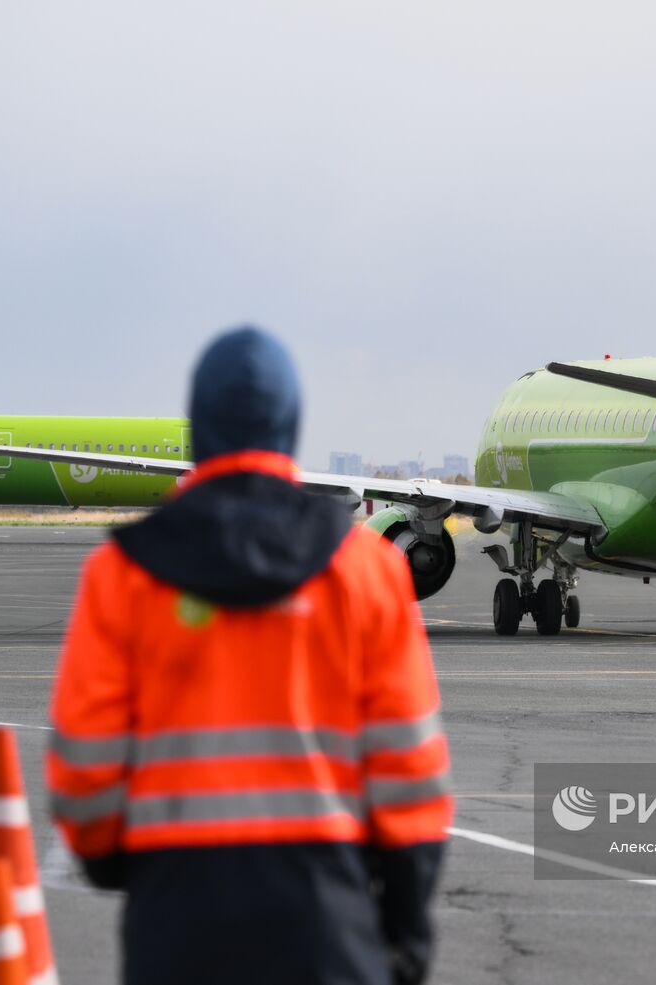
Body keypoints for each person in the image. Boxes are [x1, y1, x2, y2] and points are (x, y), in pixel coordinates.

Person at [47, 326, 452, 985]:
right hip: (328, 928)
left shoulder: (120, 573)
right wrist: (405, 931)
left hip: (175, 926)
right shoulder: (368, 571)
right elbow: (411, 777)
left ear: (198, 426)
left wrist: (121, 866)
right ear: (289, 425)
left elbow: (85, 773)